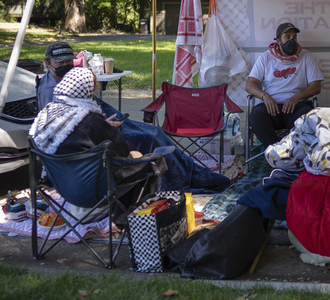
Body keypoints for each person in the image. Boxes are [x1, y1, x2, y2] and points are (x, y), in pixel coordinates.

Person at [30, 68, 230, 204]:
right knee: (153, 156)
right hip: (98, 191)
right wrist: (118, 137)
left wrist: (103, 126)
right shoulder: (89, 120)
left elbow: (78, 139)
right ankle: (185, 184)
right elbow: (123, 154)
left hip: (65, 188)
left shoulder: (48, 115)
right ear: (86, 91)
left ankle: (196, 175)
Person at [37, 41, 177, 156]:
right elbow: (64, 129)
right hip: (93, 135)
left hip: (102, 123)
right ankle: (181, 174)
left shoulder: (68, 79)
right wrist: (104, 125)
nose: (66, 65)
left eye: (69, 61)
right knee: (149, 138)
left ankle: (187, 166)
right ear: (48, 63)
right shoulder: (50, 91)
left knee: (156, 131)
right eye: (60, 63)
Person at [245, 22, 324, 147]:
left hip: (297, 106)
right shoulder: (265, 57)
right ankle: (277, 152)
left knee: (308, 117)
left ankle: (293, 153)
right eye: (287, 37)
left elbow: (316, 86)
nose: (291, 40)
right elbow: (250, 85)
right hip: (271, 107)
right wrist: (264, 96)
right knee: (256, 116)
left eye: (294, 37)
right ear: (278, 40)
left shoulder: (305, 56)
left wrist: (297, 96)